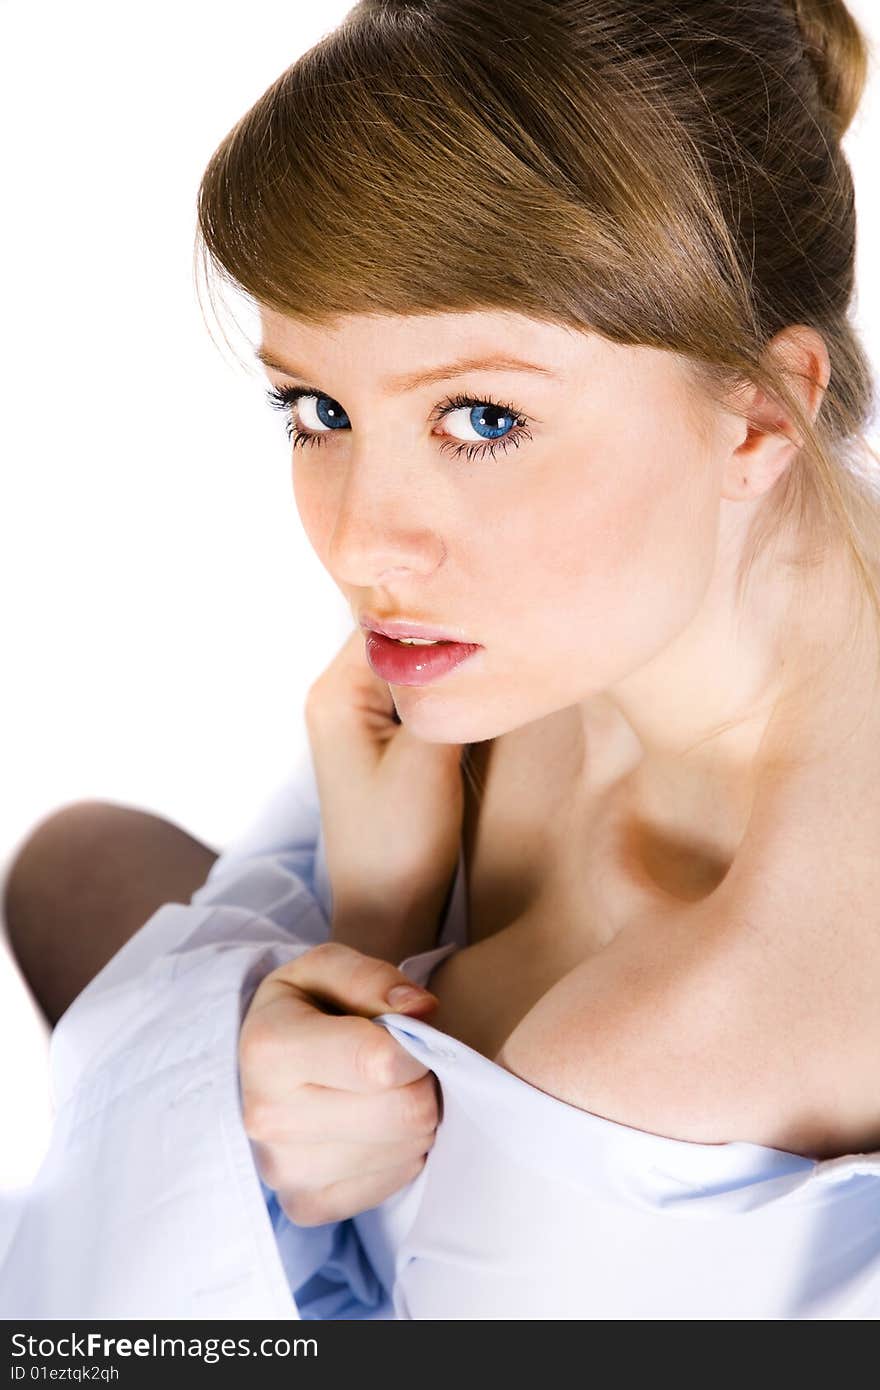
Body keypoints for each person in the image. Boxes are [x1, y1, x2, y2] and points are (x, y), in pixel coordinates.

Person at [3, 0, 880, 1318]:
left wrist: (303, 1075)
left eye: (481, 415)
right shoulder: (633, 572)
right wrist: (372, 926)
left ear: (761, 413)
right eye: (319, 408)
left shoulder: (683, 1038)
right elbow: (72, 873)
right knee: (68, 858)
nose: (365, 543)